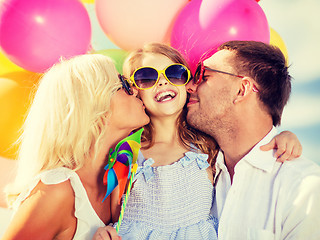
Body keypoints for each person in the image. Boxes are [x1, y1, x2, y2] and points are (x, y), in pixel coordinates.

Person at [94, 43, 303, 240]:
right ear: (135, 91)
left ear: (188, 85)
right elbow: (114, 216)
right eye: (146, 77)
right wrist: (105, 232)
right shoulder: (127, 151)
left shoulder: (208, 146)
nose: (162, 82)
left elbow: (245, 144)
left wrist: (283, 136)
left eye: (175, 74)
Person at [2, 54, 149, 240]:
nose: (135, 91)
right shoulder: (56, 189)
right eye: (123, 85)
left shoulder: (117, 183)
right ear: (96, 105)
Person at [186, 40, 320, 239]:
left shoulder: (304, 189)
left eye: (204, 76)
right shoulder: (191, 168)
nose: (189, 86)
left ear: (242, 89)